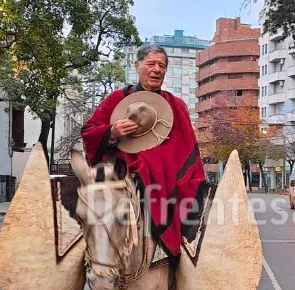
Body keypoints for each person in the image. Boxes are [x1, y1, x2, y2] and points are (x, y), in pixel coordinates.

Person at [80, 44, 208, 262]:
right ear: (137, 66)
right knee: (93, 222)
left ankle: (180, 266)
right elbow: (89, 132)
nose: (157, 69)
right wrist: (112, 132)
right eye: (151, 64)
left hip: (167, 185)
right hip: (123, 180)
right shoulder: (116, 99)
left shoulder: (176, 106)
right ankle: (91, 264)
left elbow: (186, 150)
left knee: (193, 250)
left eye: (162, 65)